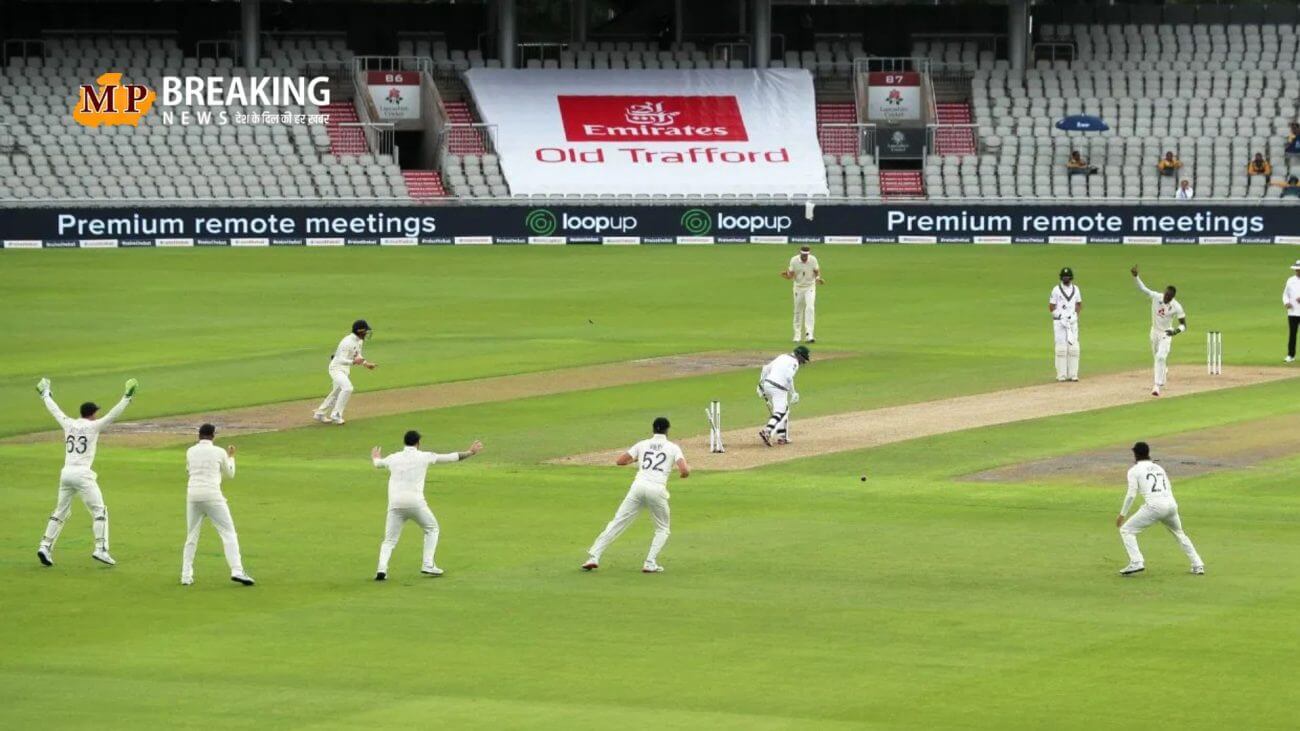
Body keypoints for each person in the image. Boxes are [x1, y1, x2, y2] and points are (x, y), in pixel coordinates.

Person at [34, 377, 137, 568]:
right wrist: (127, 397)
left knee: (60, 512)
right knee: (99, 511)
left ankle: (45, 546)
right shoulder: (93, 426)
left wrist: (45, 394)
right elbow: (113, 414)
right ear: (92, 414)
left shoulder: (68, 423)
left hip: (66, 473)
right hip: (82, 474)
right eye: (96, 412)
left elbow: (55, 410)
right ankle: (101, 549)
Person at [370, 430, 483, 580]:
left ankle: (381, 569)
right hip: (415, 503)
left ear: (405, 442)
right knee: (432, 529)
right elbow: (451, 457)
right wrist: (470, 452)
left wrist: (376, 457)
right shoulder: (424, 456)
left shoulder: (393, 457)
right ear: (418, 443)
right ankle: (428, 564)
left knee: (389, 540)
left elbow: (378, 464)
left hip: (395, 504)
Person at [581, 417, 688, 573]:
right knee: (662, 528)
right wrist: (684, 474)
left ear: (653, 429)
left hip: (638, 487)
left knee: (617, 522)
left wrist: (637, 460)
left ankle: (593, 556)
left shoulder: (642, 444)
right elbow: (684, 470)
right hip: (657, 489)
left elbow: (620, 461)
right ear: (667, 430)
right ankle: (649, 562)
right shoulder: (673, 447)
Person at [1116, 442, 1204, 576]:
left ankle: (1137, 562)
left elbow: (1131, 495)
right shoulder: (1158, 468)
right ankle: (1198, 564)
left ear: (1135, 454)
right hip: (1171, 505)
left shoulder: (1134, 470)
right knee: (1179, 533)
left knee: (1126, 530)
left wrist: (1122, 514)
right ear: (1148, 452)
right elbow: (1168, 487)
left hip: (1155, 506)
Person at [182, 424, 254, 586]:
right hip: (212, 495)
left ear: (199, 435)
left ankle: (186, 575)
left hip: (193, 495)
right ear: (213, 435)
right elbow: (230, 473)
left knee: (191, 536)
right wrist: (231, 457)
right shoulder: (219, 452)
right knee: (228, 533)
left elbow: (188, 471)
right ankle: (237, 570)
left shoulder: (190, 451)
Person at [1131, 266, 1187, 397]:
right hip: (1154, 332)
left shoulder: (1176, 307)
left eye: (1169, 296)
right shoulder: (1157, 297)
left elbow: (1184, 325)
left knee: (1160, 357)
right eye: (1166, 294)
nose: (1166, 297)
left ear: (1173, 297)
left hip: (1166, 334)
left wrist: (1175, 331)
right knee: (1157, 356)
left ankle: (1156, 386)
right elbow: (1143, 289)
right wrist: (1136, 277)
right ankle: (1163, 372)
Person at [313, 319, 376, 425]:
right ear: (359, 331)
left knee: (337, 392)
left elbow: (357, 355)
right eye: (365, 331)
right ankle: (336, 415)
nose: (366, 333)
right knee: (347, 388)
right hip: (336, 368)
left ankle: (320, 414)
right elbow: (339, 359)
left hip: (345, 369)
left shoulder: (359, 341)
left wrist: (366, 363)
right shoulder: (347, 342)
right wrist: (353, 362)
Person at [757, 345, 810, 446]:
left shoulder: (782, 356)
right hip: (779, 388)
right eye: (803, 359)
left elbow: (765, 369)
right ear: (799, 355)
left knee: (785, 410)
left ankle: (783, 437)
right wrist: (793, 392)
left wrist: (760, 384)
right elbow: (788, 377)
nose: (803, 362)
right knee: (780, 412)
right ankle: (768, 431)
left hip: (768, 384)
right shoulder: (794, 362)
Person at [781, 245, 824, 343]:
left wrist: (818, 279)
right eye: (803, 254)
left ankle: (809, 335)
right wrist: (786, 275)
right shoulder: (794, 260)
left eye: (806, 255)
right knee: (798, 310)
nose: (805, 256)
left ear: (809, 253)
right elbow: (791, 276)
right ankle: (797, 335)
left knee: (810, 308)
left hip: (810, 287)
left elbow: (816, 271)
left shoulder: (813, 260)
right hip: (798, 288)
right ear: (800, 252)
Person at [1049, 267, 1082, 382]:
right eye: (1064, 277)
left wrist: (1075, 315)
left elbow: (1078, 304)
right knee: (1061, 349)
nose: (1065, 279)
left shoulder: (1076, 289)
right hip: (1060, 323)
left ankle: (1073, 375)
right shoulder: (1056, 290)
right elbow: (1051, 306)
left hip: (1072, 322)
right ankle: (1061, 375)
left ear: (1071, 278)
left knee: (1074, 348)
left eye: (1067, 277)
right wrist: (1058, 315)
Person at [1284, 260, 1300, 363]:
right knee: (1292, 334)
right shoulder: (1290, 280)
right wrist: (1286, 302)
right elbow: (1285, 294)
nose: (1298, 271)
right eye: (1297, 270)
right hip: (1293, 312)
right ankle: (1290, 355)